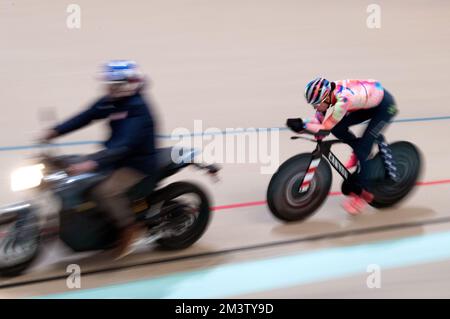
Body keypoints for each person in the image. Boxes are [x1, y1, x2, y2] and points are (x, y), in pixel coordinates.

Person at [42, 60, 157, 258]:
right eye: (108, 84)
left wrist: (92, 163)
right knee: (64, 168)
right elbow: (86, 116)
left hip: (134, 164)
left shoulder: (137, 109)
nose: (108, 87)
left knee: (104, 192)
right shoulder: (111, 101)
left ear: (124, 85)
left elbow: (124, 145)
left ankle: (129, 228)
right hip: (112, 158)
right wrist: (55, 131)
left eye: (112, 84)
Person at [287, 77, 398, 215]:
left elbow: (324, 128)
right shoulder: (327, 96)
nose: (315, 107)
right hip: (367, 102)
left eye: (316, 104)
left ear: (326, 98)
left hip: (384, 108)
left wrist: (303, 125)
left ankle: (363, 195)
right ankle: (359, 147)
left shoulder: (342, 101)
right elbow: (318, 121)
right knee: (338, 128)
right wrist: (301, 123)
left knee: (363, 151)